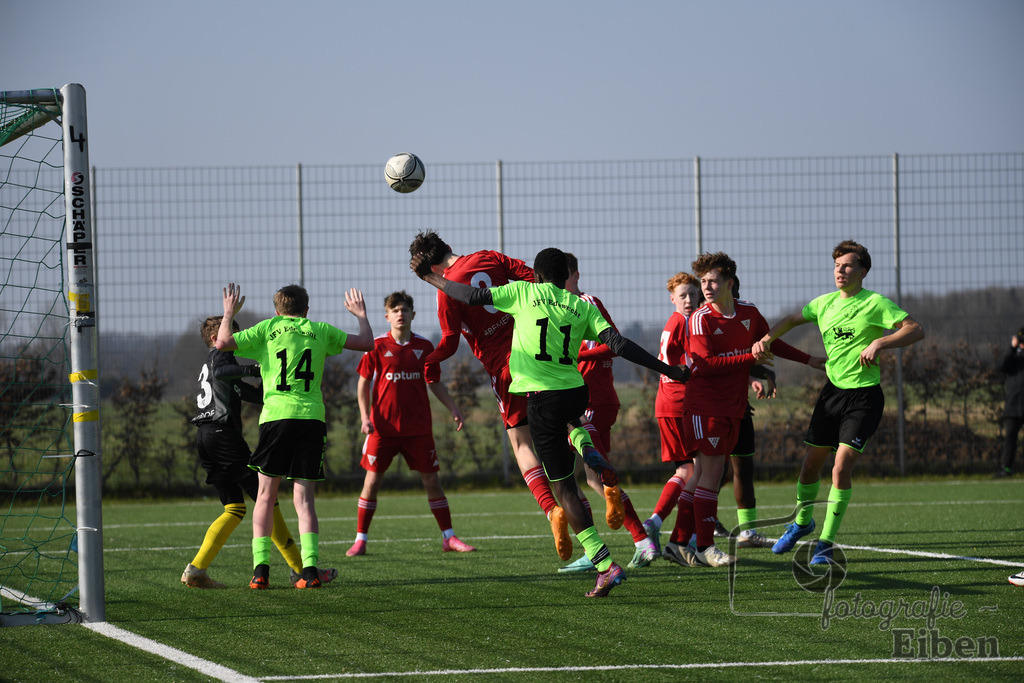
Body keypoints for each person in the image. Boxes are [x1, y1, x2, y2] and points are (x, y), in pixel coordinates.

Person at [411, 247, 689, 597]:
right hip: (575, 391)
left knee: (564, 488)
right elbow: (619, 344)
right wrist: (669, 370)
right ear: (565, 275)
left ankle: (605, 565)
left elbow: (470, 295)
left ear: (537, 275)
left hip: (540, 399)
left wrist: (430, 278)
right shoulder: (581, 304)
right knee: (570, 425)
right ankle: (586, 445)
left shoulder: (524, 292)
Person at [754, 240, 924, 566]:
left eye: (847, 266)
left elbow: (915, 330)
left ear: (863, 271)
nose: (840, 271)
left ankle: (825, 545)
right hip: (832, 394)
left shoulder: (875, 303)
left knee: (840, 467)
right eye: (836, 266)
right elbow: (791, 319)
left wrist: (881, 342)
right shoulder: (824, 304)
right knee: (809, 467)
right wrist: (766, 338)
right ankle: (803, 523)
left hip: (864, 398)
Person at [408, 231, 570, 560]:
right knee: (567, 425)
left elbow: (451, 343)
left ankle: (552, 510)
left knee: (522, 443)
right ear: (448, 248)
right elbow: (535, 280)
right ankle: (594, 471)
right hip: (537, 351)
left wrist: (431, 362)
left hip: (504, 367)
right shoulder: (488, 257)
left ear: (430, 266)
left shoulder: (445, 290)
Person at [216, 283, 374, 589]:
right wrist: (361, 314)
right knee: (305, 500)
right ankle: (311, 571)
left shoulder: (267, 328)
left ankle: (260, 571)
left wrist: (227, 313)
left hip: (276, 417)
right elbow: (367, 342)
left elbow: (222, 342)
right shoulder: (321, 330)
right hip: (311, 419)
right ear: (306, 310)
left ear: (277, 311)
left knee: (265, 496)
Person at [182, 316, 337, 589]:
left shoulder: (212, 362)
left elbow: (248, 393)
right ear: (219, 338)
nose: (238, 342)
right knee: (267, 499)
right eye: (234, 336)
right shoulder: (222, 356)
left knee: (234, 507)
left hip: (205, 436)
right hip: (223, 435)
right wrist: (255, 368)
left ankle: (196, 569)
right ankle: (300, 570)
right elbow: (224, 373)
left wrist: (271, 377)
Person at [664, 253, 774, 568]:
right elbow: (704, 366)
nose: (705, 287)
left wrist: (809, 361)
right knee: (710, 475)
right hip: (704, 408)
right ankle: (705, 546)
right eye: (702, 282)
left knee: (701, 475)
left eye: (711, 281)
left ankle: (677, 542)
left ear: (730, 283)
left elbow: (767, 343)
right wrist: (751, 360)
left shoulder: (749, 312)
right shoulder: (698, 318)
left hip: (731, 407)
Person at [347, 291, 475, 556]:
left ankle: (449, 538)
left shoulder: (425, 347)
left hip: (418, 429)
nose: (400, 314)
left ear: (413, 315)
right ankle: (361, 540)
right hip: (382, 429)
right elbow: (362, 383)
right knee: (372, 483)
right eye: (395, 310)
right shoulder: (376, 345)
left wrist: (453, 407)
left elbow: (434, 382)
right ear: (387, 316)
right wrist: (364, 417)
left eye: (405, 310)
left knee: (432, 482)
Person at [558, 253, 659, 573]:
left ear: (574, 275)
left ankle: (638, 540)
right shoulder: (557, 307)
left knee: (583, 476)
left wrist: (574, 351)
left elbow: (614, 342)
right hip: (592, 400)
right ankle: (626, 541)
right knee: (593, 476)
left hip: (591, 401)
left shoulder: (587, 301)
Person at [643, 272, 701, 558]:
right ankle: (677, 535)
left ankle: (671, 530)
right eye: (683, 295)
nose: (689, 300)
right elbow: (679, 363)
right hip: (678, 403)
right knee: (693, 470)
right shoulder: (682, 322)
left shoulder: (680, 321)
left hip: (670, 402)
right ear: (672, 299)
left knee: (690, 470)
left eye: (693, 294)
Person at [996, 326, 1024, 478]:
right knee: (1010, 440)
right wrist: (1012, 348)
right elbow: (1001, 366)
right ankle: (1006, 468)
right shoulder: (1014, 357)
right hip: (1014, 405)